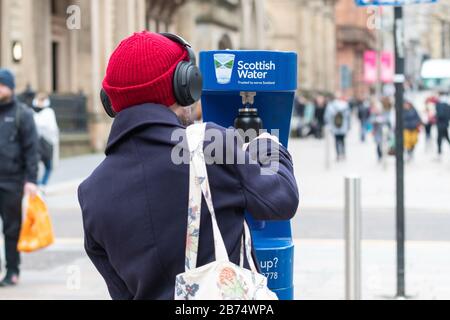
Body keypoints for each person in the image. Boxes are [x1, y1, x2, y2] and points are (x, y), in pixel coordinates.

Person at [78, 32, 299, 300]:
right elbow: (283, 199)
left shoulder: (91, 191)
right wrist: (265, 143)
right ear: (183, 85)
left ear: (110, 101)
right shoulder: (209, 144)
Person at [0, 69, 39, 287]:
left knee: (11, 229)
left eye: (1, 85)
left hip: (12, 181)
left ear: (11, 87)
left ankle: (12, 270)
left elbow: (31, 150)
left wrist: (31, 180)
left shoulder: (21, 114)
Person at [32, 93, 59, 186]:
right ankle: (41, 184)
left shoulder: (36, 112)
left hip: (41, 143)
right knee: (46, 166)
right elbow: (53, 128)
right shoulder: (47, 112)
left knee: (44, 166)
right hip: (43, 143)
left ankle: (40, 184)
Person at [325, 92, 351, 161]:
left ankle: (338, 154)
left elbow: (327, 117)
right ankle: (343, 153)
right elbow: (348, 116)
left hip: (335, 127)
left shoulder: (331, 106)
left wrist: (329, 125)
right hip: (343, 126)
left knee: (336, 140)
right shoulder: (345, 105)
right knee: (342, 140)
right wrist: (348, 126)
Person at [435, 92, 450, 159]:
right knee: (445, 137)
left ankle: (439, 152)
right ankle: (439, 152)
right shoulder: (447, 105)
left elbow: (440, 115)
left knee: (440, 139)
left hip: (441, 124)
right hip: (444, 124)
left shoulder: (440, 105)